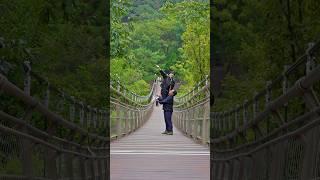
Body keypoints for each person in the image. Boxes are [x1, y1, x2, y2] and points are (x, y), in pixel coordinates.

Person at [156, 65, 176, 135]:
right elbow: (163, 74)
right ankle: (167, 130)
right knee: (165, 118)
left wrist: (161, 101)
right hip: (165, 98)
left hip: (168, 99)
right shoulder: (166, 78)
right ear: (168, 74)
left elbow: (171, 88)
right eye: (170, 74)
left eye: (172, 74)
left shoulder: (172, 81)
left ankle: (170, 130)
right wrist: (160, 69)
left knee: (168, 118)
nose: (171, 75)